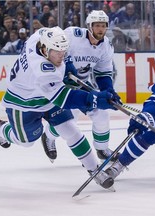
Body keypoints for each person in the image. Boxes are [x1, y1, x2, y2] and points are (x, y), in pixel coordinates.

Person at [0, 26, 118, 189]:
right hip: (23, 103)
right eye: (57, 52)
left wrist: (68, 64)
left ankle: (94, 170)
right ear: (44, 50)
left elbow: (55, 36)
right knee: (25, 142)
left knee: (70, 129)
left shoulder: (40, 37)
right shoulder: (43, 70)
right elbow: (64, 98)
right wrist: (94, 99)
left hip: (47, 97)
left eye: (63, 52)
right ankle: (0, 128)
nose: (61, 56)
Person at [41, 10, 122, 164]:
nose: (100, 29)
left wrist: (108, 91)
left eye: (103, 26)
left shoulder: (106, 46)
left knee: (102, 112)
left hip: (82, 84)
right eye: (97, 25)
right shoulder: (72, 34)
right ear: (89, 26)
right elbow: (57, 50)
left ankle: (102, 149)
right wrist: (66, 67)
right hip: (62, 84)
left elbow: (103, 73)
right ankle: (48, 136)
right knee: (68, 121)